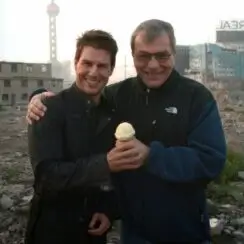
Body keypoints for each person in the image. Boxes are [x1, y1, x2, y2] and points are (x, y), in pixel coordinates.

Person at [26, 19, 226, 244]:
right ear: (132, 57)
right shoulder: (117, 95)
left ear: (174, 54)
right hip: (134, 233)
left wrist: (152, 155)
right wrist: (39, 96)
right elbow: (83, 95)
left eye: (162, 55)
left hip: (185, 230)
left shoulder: (196, 98)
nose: (152, 65)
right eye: (143, 56)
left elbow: (212, 160)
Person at [25, 30, 121, 244]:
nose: (94, 72)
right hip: (53, 230)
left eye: (102, 66)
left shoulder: (112, 112)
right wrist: (104, 164)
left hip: (94, 231)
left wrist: (107, 210)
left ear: (111, 70)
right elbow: (47, 176)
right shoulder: (47, 109)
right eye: (87, 63)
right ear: (76, 63)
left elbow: (115, 179)